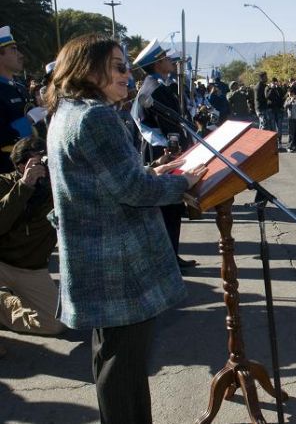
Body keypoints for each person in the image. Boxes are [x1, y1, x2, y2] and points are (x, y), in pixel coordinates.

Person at [45, 33, 207, 424]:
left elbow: (102, 180)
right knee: (125, 368)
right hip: (119, 263)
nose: (127, 75)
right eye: (118, 66)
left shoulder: (68, 112)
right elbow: (132, 190)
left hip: (97, 258)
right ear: (88, 68)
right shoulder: (96, 116)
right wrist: (183, 182)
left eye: (128, 67)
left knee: (112, 358)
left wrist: (152, 170)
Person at [130, 39, 196, 271]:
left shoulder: (152, 86)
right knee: (169, 207)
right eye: (166, 59)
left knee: (170, 208)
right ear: (158, 64)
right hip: (165, 153)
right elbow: (171, 127)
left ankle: (170, 256)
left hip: (159, 151)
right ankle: (169, 258)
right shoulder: (156, 90)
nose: (171, 61)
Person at [0, 137, 65, 344]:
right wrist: (24, 185)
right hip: (1, 264)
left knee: (55, 324)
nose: (45, 166)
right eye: (39, 161)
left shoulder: (56, 186)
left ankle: (5, 306)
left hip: (31, 268)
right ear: (21, 166)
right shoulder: (4, 183)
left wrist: (154, 168)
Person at [0, 26, 34, 174]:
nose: (20, 55)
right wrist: (28, 122)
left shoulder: (20, 86)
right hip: (6, 169)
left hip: (30, 165)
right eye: (13, 49)